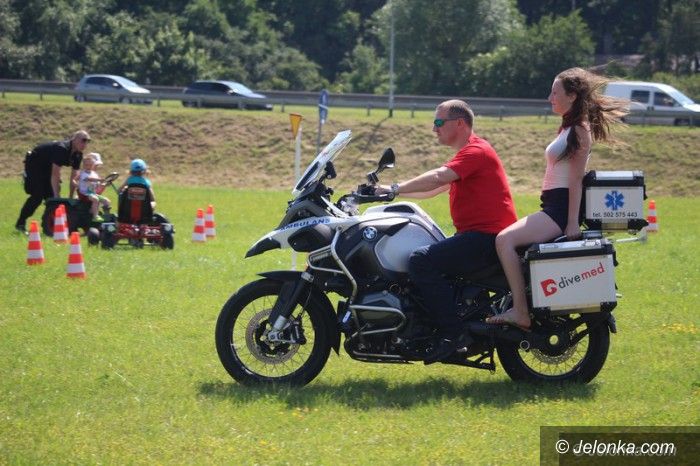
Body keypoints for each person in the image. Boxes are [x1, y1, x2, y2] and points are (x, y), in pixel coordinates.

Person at [376, 99, 518, 363]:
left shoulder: (476, 151)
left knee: (421, 260)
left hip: (486, 237)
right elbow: (434, 188)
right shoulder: (469, 154)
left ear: (459, 123)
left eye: (439, 122)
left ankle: (453, 334)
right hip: (478, 236)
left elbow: (438, 177)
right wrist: (388, 194)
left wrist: (394, 188)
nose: (434, 129)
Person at [486, 67, 628, 330]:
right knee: (512, 245)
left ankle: (520, 311)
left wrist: (571, 222)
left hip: (559, 210)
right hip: (553, 206)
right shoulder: (568, 128)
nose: (549, 98)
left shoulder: (579, 131)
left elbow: (575, 180)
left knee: (504, 240)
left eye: (554, 93)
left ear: (571, 96)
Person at [15, 130, 91, 234]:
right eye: (83, 140)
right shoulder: (62, 149)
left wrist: (71, 197)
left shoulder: (78, 155)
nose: (85, 144)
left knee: (50, 197)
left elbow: (73, 178)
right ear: (74, 139)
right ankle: (20, 223)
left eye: (88, 141)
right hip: (35, 165)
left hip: (48, 169)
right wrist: (56, 196)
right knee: (38, 196)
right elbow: (55, 174)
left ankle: (53, 225)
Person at [76, 152, 111, 222]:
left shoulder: (94, 174)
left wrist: (105, 184)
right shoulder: (83, 173)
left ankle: (106, 216)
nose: (88, 166)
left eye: (90, 165)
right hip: (85, 194)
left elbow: (98, 184)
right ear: (83, 165)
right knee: (95, 199)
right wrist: (99, 180)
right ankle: (95, 216)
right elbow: (89, 179)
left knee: (107, 201)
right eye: (86, 165)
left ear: (92, 165)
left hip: (93, 193)